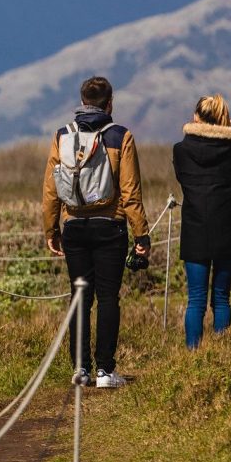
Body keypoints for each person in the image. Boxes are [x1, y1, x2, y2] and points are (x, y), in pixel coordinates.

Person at [42, 76, 150, 388]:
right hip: (110, 227)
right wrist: (141, 235)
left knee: (80, 298)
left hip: (73, 225)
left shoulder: (63, 135)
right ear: (109, 103)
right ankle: (105, 370)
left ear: (82, 100)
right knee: (107, 298)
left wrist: (51, 229)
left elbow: (51, 189)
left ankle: (81, 369)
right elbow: (130, 193)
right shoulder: (121, 136)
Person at [172, 93, 231, 350]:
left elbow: (182, 179)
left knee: (195, 300)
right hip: (228, 226)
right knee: (221, 298)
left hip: (196, 227)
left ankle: (192, 353)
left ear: (196, 116)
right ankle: (222, 354)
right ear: (222, 119)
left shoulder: (181, 149)